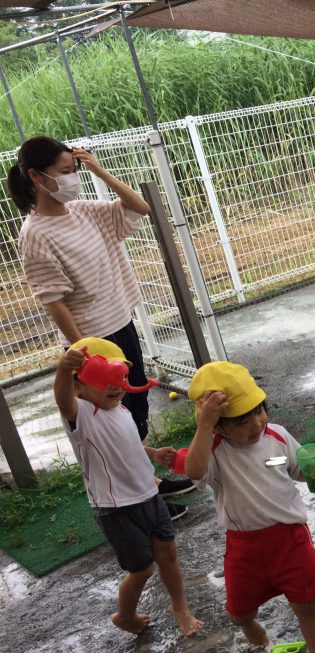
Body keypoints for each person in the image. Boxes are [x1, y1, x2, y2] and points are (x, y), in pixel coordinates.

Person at [7, 135, 193, 502]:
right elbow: (54, 301)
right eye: (65, 172)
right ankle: (138, 495)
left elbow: (139, 207)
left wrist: (98, 169)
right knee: (110, 421)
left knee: (133, 408)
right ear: (37, 177)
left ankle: (148, 484)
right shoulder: (35, 235)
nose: (72, 178)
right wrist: (83, 350)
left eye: (74, 169)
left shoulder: (84, 211)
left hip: (120, 324)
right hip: (92, 341)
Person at [184, 361, 315, 653]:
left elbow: (297, 470)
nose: (257, 423)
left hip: (289, 538)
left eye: (260, 411)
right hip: (244, 546)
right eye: (243, 421)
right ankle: (249, 624)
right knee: (239, 611)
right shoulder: (213, 451)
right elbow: (192, 471)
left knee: (307, 604)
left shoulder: (277, 436)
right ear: (219, 427)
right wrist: (205, 428)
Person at [53, 337, 203, 638]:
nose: (116, 387)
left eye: (119, 377)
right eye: (104, 380)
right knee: (142, 569)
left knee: (168, 554)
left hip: (149, 495)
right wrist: (63, 369)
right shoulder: (81, 415)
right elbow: (63, 399)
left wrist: (153, 454)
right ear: (79, 387)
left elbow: (130, 443)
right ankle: (125, 615)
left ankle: (180, 608)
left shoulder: (120, 410)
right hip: (115, 507)